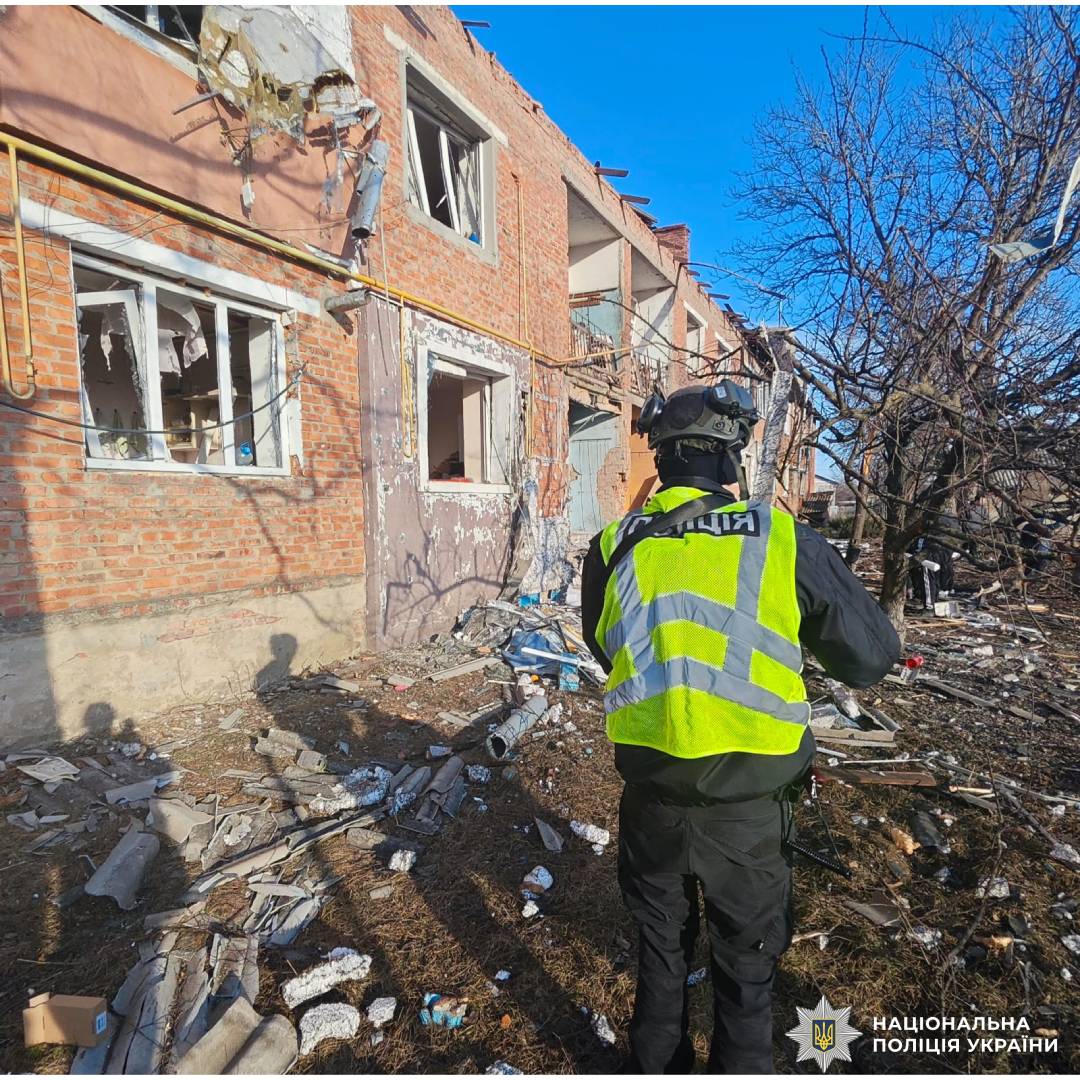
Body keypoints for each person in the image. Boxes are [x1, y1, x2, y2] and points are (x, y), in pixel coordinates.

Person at [580, 382, 900, 1073]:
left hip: (652, 799)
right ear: (733, 460)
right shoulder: (782, 538)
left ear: (660, 459)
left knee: (660, 957)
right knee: (747, 972)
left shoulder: (611, 545)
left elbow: (611, 647)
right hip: (751, 809)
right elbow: (870, 660)